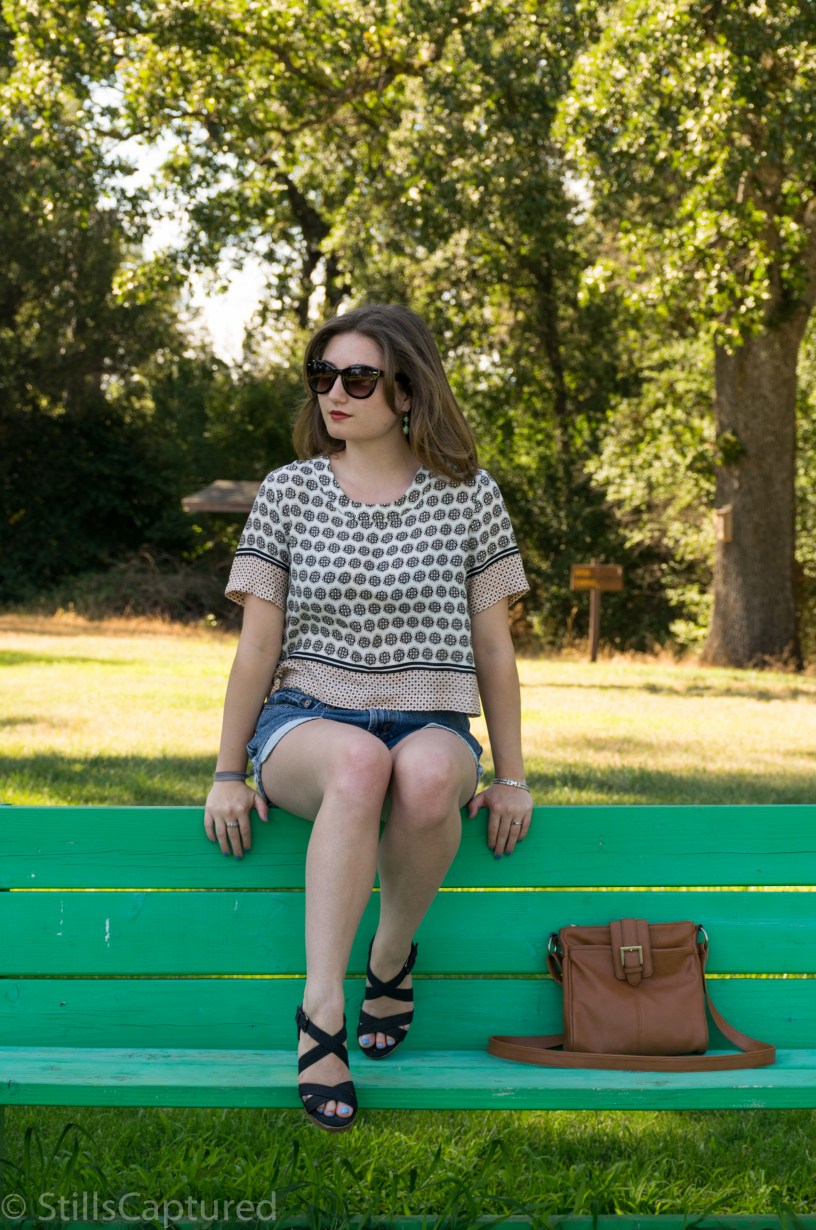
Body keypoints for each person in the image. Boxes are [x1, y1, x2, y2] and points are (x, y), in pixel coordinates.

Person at [204, 302, 532, 1132]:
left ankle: (390, 958)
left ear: (409, 393)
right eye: (324, 377)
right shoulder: (290, 492)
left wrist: (515, 776)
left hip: (433, 720)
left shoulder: (470, 496)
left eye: (357, 378)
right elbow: (255, 647)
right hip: (306, 718)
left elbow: (494, 650)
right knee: (359, 762)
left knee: (421, 775)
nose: (334, 395)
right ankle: (322, 1016)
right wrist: (226, 772)